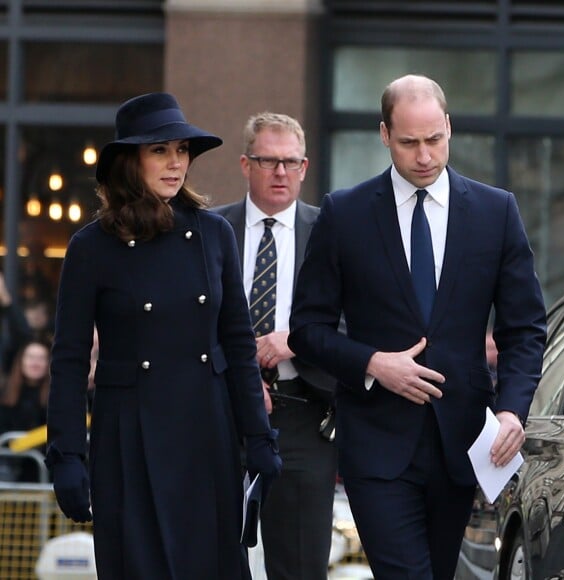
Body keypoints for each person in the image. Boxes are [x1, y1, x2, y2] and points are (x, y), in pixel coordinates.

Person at [288, 74, 547, 580]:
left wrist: (514, 408)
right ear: (385, 135)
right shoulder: (346, 213)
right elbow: (306, 329)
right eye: (409, 142)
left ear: (449, 128)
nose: (424, 155)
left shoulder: (497, 212)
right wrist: (372, 363)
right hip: (376, 445)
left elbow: (525, 326)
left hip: (463, 443)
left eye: (435, 139)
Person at [44, 92, 282, 580]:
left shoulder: (214, 234)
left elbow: (238, 343)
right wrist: (66, 454)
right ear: (129, 161)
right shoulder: (91, 247)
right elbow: (68, 359)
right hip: (129, 438)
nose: (176, 163)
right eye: (160, 151)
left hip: (207, 433)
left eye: (182, 151)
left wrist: (257, 434)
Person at [213, 112, 337, 580]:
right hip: (221, 415)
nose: (280, 172)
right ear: (246, 164)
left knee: (300, 565)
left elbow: (356, 323)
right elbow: (195, 322)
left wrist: (297, 341)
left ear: (305, 168)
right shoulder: (210, 230)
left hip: (303, 415)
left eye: (291, 162)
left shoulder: (332, 232)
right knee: (212, 558)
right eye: (268, 161)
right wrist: (241, 372)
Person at [0, 339, 51, 481]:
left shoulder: (56, 396)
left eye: (41, 358)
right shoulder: (4, 392)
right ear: (21, 361)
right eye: (31, 357)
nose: (35, 363)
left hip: (46, 471)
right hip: (10, 469)